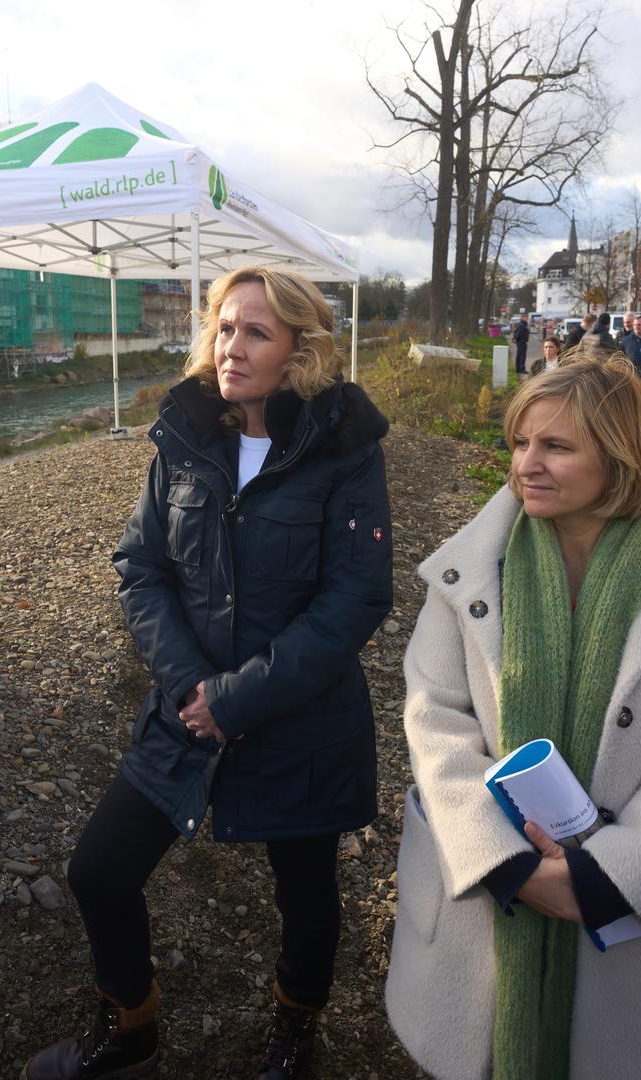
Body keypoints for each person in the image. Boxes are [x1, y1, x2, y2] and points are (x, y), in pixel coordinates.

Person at [22, 266, 393, 1080]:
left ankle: (296, 1028)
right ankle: (130, 1027)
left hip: (299, 719)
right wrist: (192, 685)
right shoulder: (188, 436)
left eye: (256, 331)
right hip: (186, 708)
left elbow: (356, 599)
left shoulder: (345, 447)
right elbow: (140, 567)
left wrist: (242, 697)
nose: (232, 346)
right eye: (226, 327)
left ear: (302, 347)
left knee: (306, 900)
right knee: (99, 871)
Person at [387, 358, 641, 1080]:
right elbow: (435, 720)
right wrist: (513, 865)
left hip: (629, 935)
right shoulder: (469, 572)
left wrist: (600, 876)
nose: (526, 464)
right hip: (487, 908)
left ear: (619, 458)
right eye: (521, 442)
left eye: (555, 447)